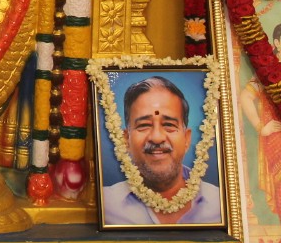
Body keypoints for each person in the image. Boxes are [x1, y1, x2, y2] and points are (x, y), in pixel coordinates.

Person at [102, 75, 221, 225]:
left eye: (169, 125)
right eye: (144, 125)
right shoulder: (106, 204)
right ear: (126, 140)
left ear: (186, 139)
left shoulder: (220, 204)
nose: (157, 138)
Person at [240, 23, 281, 218]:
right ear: (277, 43)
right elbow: (245, 97)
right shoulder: (268, 71)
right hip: (276, 136)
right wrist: (260, 127)